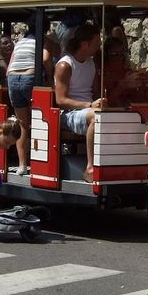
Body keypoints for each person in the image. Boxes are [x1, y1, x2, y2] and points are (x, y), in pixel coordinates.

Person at [54, 23, 105, 182]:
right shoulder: (65, 65)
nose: (99, 47)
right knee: (96, 116)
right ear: (84, 44)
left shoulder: (91, 63)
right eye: (96, 43)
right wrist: (89, 105)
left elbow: (95, 92)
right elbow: (60, 100)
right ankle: (90, 167)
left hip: (88, 110)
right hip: (69, 115)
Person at [5, 28, 38, 175]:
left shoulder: (19, 42)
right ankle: (38, 163)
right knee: (38, 120)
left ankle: (22, 165)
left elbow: (8, 69)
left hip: (12, 77)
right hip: (29, 76)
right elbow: (45, 59)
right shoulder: (42, 41)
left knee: (22, 124)